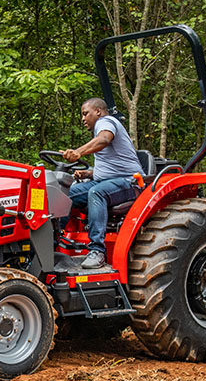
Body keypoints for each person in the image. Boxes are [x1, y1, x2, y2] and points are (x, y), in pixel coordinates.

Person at [60, 97, 144, 269]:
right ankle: (55, 240)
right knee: (64, 194)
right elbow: (110, 169)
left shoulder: (106, 122)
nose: (83, 119)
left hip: (131, 182)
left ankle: (97, 251)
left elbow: (104, 139)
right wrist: (89, 173)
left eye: (85, 114)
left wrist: (78, 152)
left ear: (97, 111)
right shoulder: (101, 127)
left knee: (97, 192)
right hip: (109, 181)